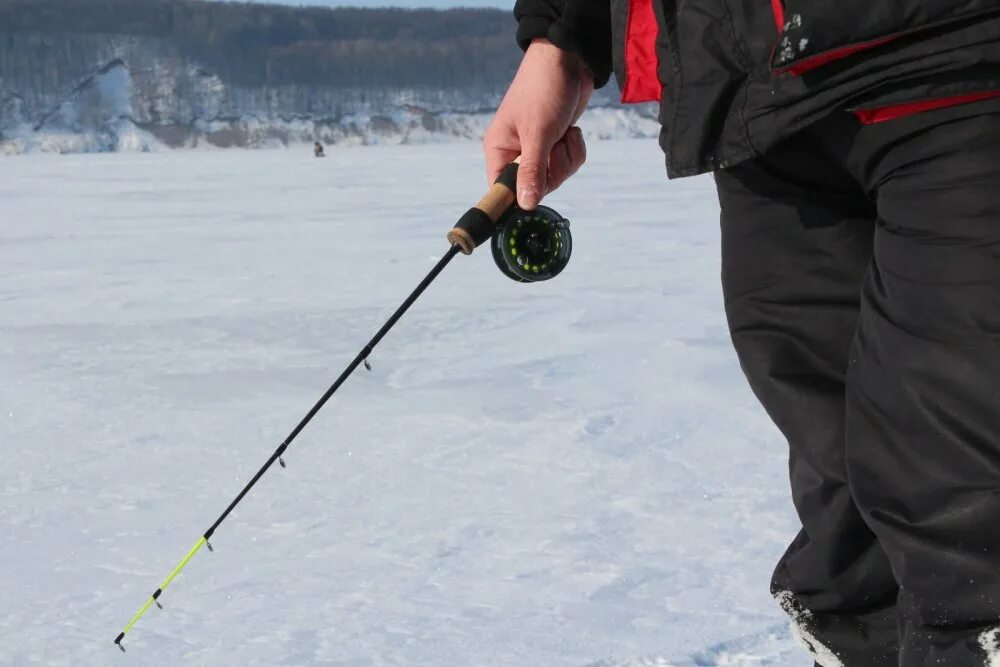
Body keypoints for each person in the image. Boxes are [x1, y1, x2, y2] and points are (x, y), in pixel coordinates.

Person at [483, 1, 1000, 665]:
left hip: (957, 60)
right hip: (752, 89)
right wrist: (562, 39)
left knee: (967, 505)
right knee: (843, 508)